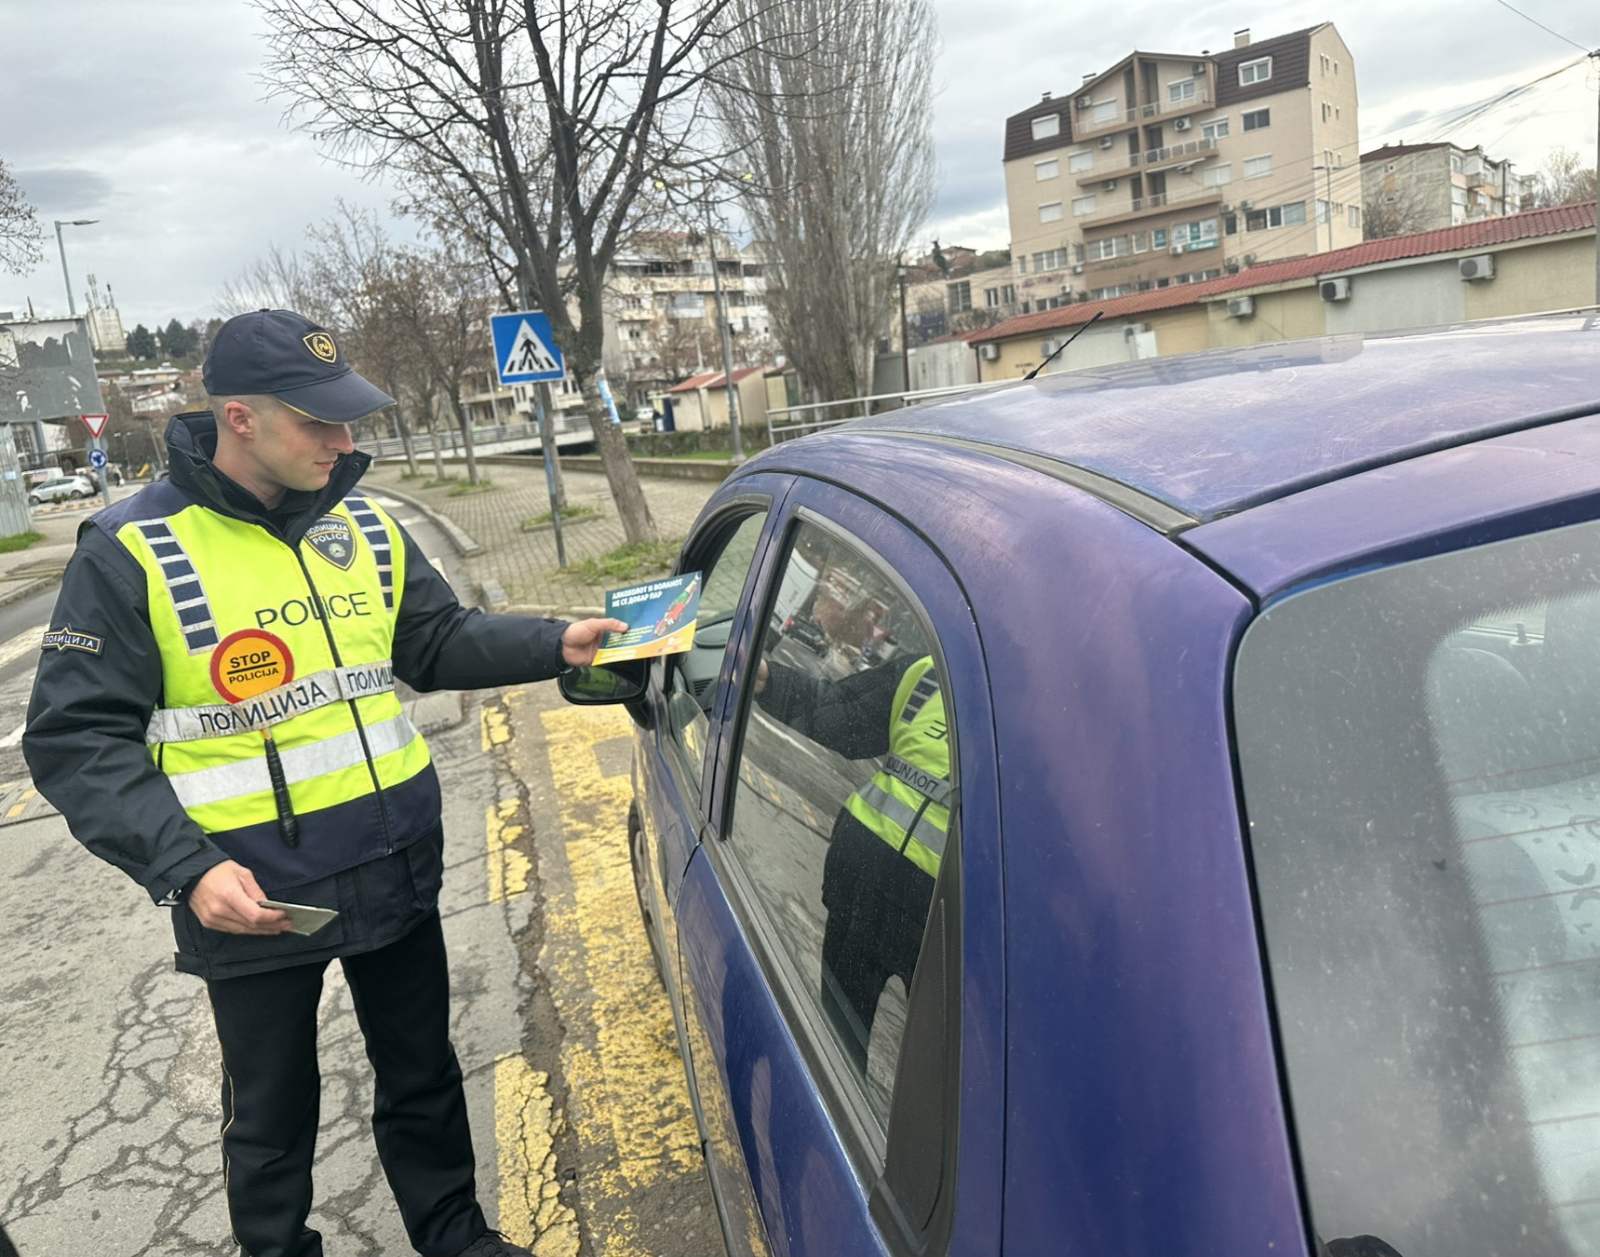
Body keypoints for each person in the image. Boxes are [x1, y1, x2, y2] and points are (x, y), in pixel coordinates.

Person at [23, 309, 625, 1257]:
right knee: (272, 1115)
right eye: (318, 421)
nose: (344, 441)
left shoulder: (365, 523)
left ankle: (456, 1237)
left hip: (393, 860)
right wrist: (186, 868)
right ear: (240, 417)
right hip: (251, 891)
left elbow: (433, 640)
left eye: (347, 418)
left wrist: (555, 642)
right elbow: (74, 737)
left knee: (423, 1073)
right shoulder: (132, 547)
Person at [753, 631, 951, 1074]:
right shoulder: (929, 673)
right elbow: (840, 712)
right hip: (861, 887)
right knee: (839, 1045)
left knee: (939, 1080)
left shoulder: (1062, 737)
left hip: (946, 924)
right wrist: (765, 678)